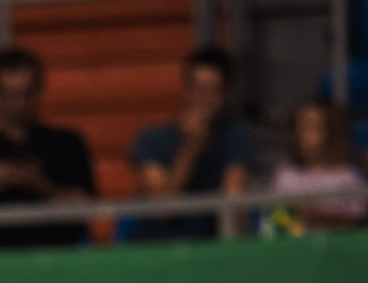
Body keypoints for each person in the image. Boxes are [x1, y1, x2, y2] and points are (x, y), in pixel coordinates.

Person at [0, 46, 95, 250]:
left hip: (55, 257)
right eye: (10, 94)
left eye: (27, 93)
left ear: (39, 90)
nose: (19, 103)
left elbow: (87, 209)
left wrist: (41, 185)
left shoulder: (67, 144)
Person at [131, 46, 257, 240]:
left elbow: (234, 207)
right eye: (199, 89)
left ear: (226, 94)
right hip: (157, 244)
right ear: (186, 90)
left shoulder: (236, 135)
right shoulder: (151, 140)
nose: (205, 99)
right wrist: (190, 147)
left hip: (210, 247)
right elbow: (163, 210)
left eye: (213, 90)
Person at [269, 100, 367, 232]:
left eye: (311, 127)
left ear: (332, 132)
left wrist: (319, 216)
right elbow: (277, 219)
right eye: (299, 127)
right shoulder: (285, 174)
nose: (302, 135)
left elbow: (355, 223)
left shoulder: (348, 176)